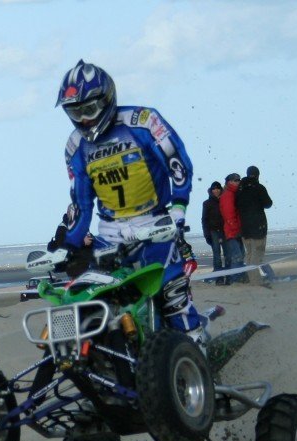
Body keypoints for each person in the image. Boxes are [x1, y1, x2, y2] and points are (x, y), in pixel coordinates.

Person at [53, 59, 205, 345]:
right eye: (75, 111)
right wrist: (69, 246)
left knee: (173, 297)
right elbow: (81, 202)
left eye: (89, 109)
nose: (84, 119)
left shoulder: (144, 122)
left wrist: (178, 209)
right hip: (108, 235)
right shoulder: (75, 146)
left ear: (106, 99)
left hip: (156, 225)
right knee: (92, 302)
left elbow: (178, 163)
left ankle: (198, 359)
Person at [237, 164, 273, 286]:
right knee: (257, 255)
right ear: (257, 175)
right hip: (258, 226)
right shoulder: (258, 188)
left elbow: (237, 205)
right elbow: (268, 203)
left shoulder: (240, 189)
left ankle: (252, 279)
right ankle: (256, 282)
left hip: (245, 228)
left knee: (249, 254)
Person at [218, 172, 246, 284]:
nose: (238, 182)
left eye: (239, 180)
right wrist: (235, 229)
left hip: (236, 230)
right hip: (232, 231)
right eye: (235, 180)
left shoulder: (234, 194)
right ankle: (235, 279)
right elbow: (228, 214)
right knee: (237, 256)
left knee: (240, 255)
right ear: (229, 182)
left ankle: (239, 277)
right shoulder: (228, 195)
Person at [201, 181, 229, 285]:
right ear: (211, 190)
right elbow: (204, 220)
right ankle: (219, 278)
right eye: (214, 189)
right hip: (213, 232)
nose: (216, 190)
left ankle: (229, 276)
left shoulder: (224, 200)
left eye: (218, 188)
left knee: (228, 255)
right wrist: (206, 235)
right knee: (217, 256)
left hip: (225, 231)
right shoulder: (207, 203)